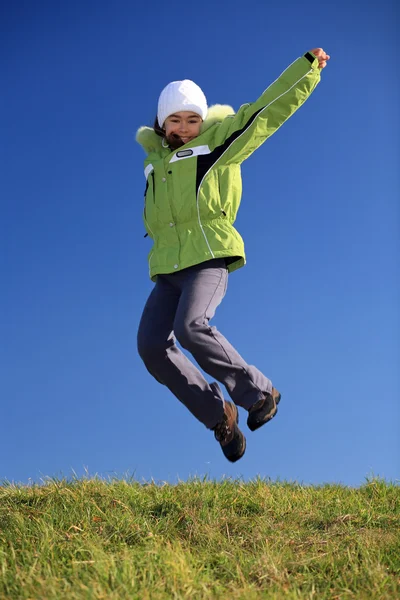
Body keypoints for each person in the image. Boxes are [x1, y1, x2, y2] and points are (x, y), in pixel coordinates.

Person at [136, 48, 330, 462]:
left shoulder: (216, 145)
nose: (185, 128)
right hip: (168, 271)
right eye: (175, 120)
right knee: (152, 345)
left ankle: (259, 393)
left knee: (191, 327)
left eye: (192, 120)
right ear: (161, 123)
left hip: (208, 259)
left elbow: (262, 114)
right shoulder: (155, 166)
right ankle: (219, 416)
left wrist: (306, 70)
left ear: (202, 121)